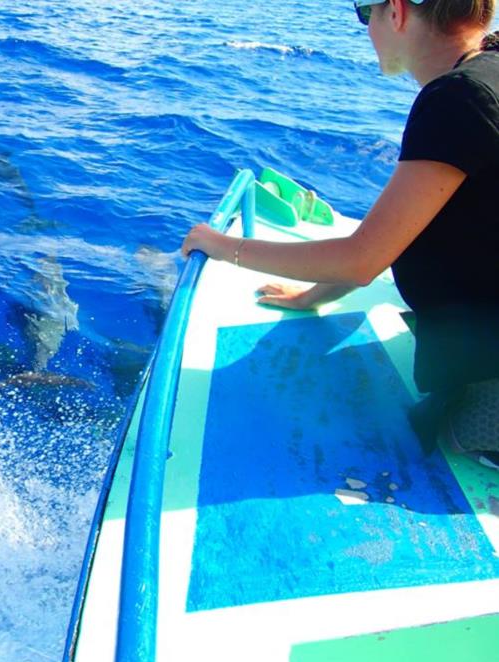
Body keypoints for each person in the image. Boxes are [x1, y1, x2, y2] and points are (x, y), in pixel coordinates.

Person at [181, 0, 499, 468]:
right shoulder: (487, 71)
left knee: (451, 443)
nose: (365, 28)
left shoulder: (458, 100)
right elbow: (397, 232)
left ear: (395, 12)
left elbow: (363, 258)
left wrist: (221, 245)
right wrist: (314, 295)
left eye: (362, 12)